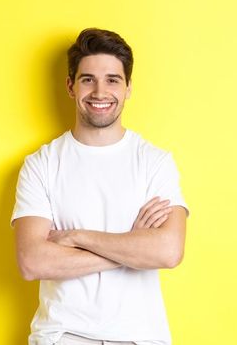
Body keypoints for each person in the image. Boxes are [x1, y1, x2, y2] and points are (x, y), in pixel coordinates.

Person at [10, 28, 190, 345]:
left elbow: (169, 251)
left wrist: (78, 237)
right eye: (88, 79)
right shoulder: (41, 164)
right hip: (62, 336)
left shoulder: (155, 162)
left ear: (128, 87)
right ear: (70, 85)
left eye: (112, 80)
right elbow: (32, 261)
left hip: (139, 338)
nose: (100, 91)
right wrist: (133, 247)